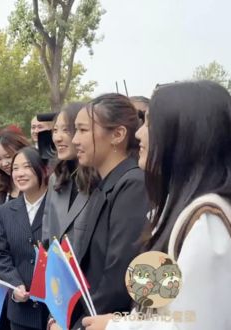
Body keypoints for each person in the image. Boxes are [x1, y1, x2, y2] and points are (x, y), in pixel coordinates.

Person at [82, 81, 231, 329]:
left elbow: (195, 323)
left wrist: (115, 327)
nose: (138, 134)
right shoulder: (177, 209)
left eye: (150, 123)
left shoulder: (207, 221)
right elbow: (160, 307)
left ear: (183, 135)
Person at [63, 93, 149, 329]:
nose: (75, 140)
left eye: (82, 130)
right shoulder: (106, 185)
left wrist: (78, 325)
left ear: (118, 135)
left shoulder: (133, 185)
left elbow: (118, 278)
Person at [0, 147, 49, 330]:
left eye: (27, 167)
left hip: (53, 310)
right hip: (21, 312)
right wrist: (15, 284)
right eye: (15, 168)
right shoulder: (6, 211)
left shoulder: (57, 206)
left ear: (43, 169)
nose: (20, 173)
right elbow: (2, 255)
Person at [42, 102, 98, 250]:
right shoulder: (56, 178)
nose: (57, 138)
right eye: (55, 130)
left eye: (66, 130)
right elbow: (47, 230)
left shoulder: (101, 179)